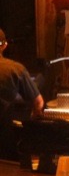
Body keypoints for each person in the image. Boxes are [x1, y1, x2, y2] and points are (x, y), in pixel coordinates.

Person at [0, 29, 44, 160]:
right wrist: (33, 118)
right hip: (6, 144)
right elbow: (38, 102)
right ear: (4, 45)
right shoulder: (15, 69)